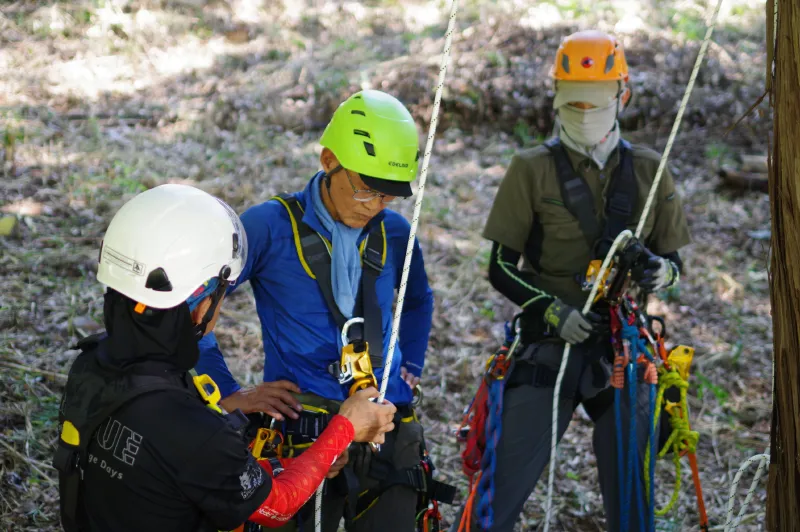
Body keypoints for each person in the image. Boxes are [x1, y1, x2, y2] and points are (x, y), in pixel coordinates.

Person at [452, 30, 691, 531]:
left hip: (622, 350)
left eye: (596, 101)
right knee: (498, 495)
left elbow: (672, 262)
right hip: (547, 348)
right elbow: (500, 267)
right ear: (557, 97)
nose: (584, 112)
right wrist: (551, 311)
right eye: (573, 101)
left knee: (633, 501)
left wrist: (661, 270)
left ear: (622, 96)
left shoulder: (649, 171)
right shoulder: (531, 169)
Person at [54, 184, 397, 532]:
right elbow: (277, 506)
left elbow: (179, 466)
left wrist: (300, 457)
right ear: (202, 305)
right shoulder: (193, 430)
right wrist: (345, 427)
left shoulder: (91, 364)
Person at [196, 89, 445, 532]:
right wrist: (227, 392)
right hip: (303, 432)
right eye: (366, 189)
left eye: (388, 195)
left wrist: (412, 364)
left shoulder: (394, 232)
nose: (375, 205)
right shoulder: (270, 227)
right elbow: (194, 305)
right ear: (329, 160)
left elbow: (418, 299)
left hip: (386, 424)